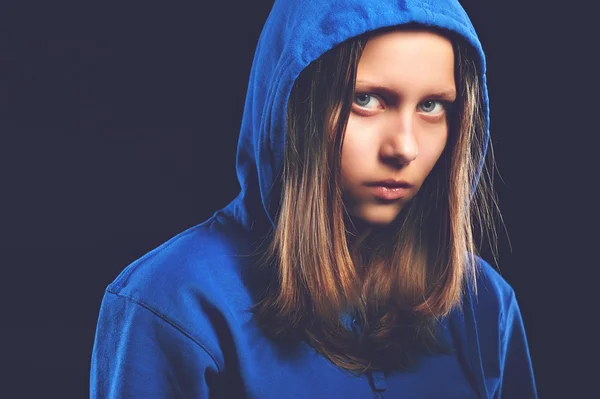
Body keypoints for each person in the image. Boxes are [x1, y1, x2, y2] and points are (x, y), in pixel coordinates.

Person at [90, 0, 538, 397]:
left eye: (432, 106)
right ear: (295, 104)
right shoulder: (174, 305)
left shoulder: (484, 304)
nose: (404, 147)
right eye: (366, 99)